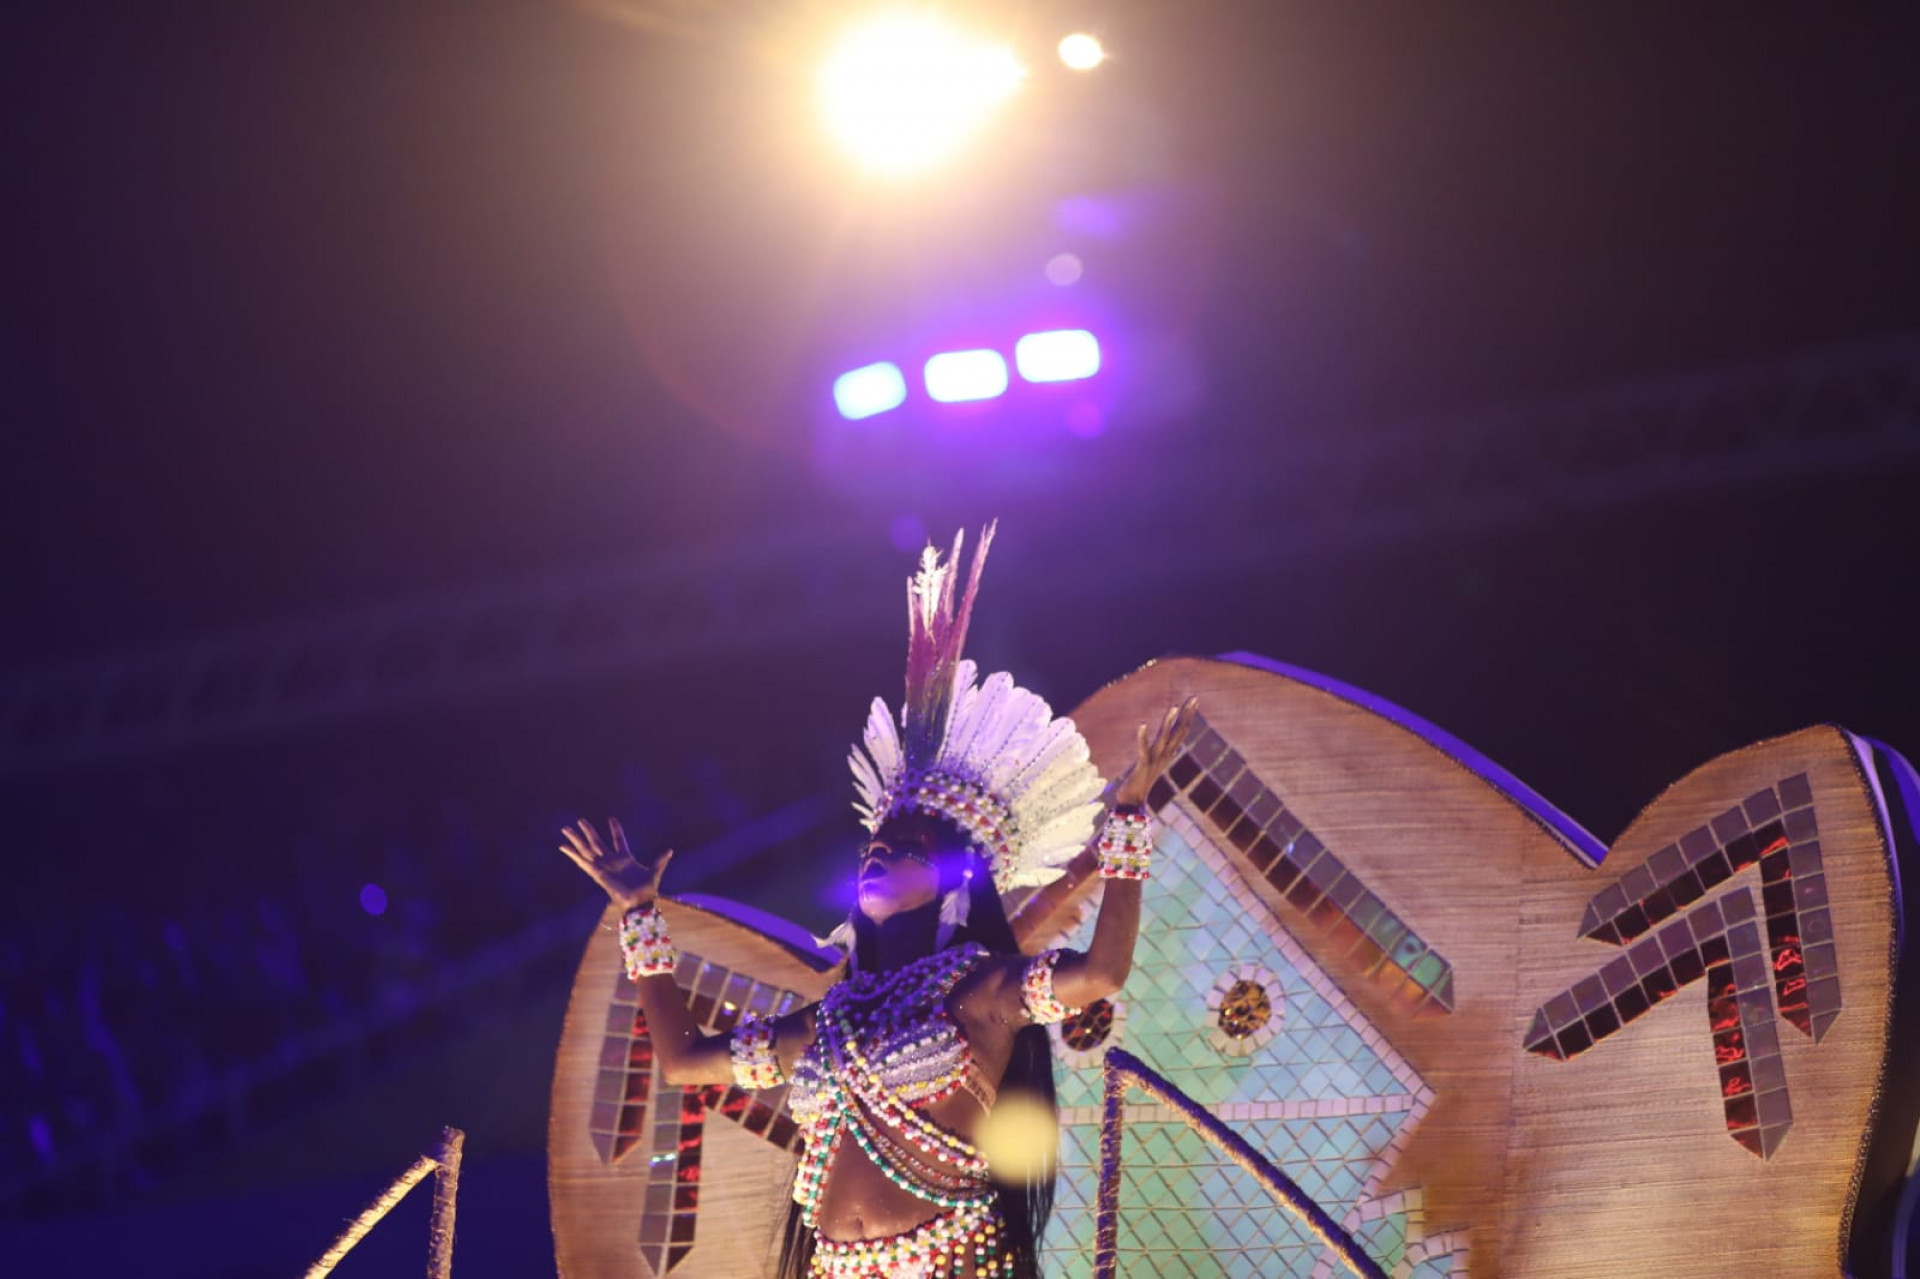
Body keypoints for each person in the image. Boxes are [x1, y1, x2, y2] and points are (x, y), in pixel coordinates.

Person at [560, 526, 1195, 1279]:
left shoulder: (979, 990)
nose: (879, 854)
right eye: (873, 846)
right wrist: (641, 914)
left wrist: (1126, 815)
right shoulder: (830, 1019)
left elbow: (1100, 974)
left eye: (907, 848)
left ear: (957, 879)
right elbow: (684, 1060)